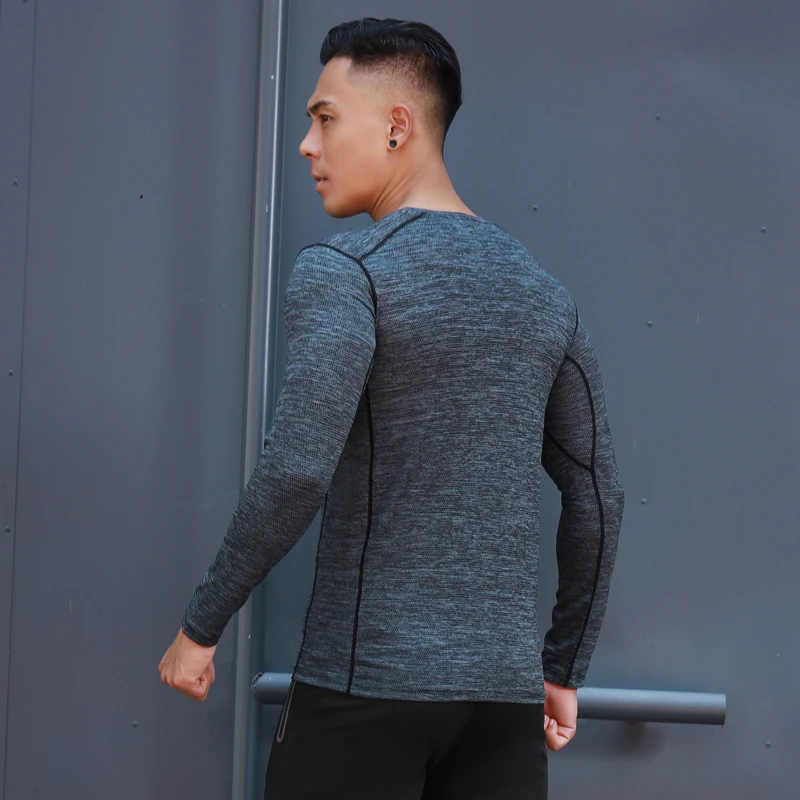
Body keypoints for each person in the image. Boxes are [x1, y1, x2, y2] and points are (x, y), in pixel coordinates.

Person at [159, 17, 625, 800]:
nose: (307, 144)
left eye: (325, 118)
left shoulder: (347, 271)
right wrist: (563, 669)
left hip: (362, 694)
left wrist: (202, 625)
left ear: (396, 127)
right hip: (500, 713)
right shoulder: (543, 293)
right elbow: (598, 495)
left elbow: (298, 467)